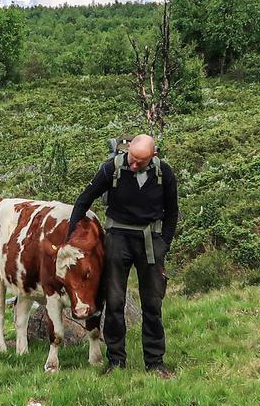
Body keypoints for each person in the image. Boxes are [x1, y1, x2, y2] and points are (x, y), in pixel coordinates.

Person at [68, 133, 178, 377]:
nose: (134, 165)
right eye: (132, 158)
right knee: (115, 301)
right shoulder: (112, 169)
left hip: (150, 241)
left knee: (152, 303)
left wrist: (164, 245)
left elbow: (172, 211)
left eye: (140, 161)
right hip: (118, 238)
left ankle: (155, 362)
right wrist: (70, 238)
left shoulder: (164, 173)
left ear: (153, 156)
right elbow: (84, 200)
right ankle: (116, 361)